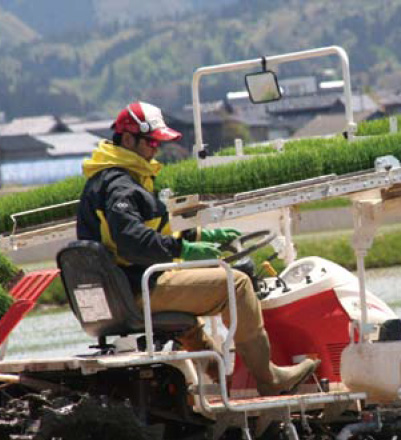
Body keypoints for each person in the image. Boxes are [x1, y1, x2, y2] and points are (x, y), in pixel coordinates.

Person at [75, 100, 319, 396]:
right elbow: (133, 242)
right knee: (238, 283)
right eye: (151, 142)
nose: (156, 149)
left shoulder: (109, 179)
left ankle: (222, 378)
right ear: (128, 139)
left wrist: (201, 235)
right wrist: (184, 250)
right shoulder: (121, 186)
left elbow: (145, 234)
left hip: (123, 289)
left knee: (188, 320)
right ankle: (268, 377)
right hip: (137, 289)